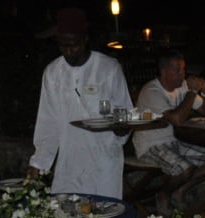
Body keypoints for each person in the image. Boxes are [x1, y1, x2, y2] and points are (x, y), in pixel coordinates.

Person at [26, 7, 133, 197]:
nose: (69, 51)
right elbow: (48, 123)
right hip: (70, 162)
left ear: (84, 40)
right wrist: (38, 163)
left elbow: (124, 112)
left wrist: (122, 128)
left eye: (74, 45)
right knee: (67, 217)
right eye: (63, 46)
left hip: (104, 160)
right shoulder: (52, 73)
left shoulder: (108, 68)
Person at [132, 50, 205, 214]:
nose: (182, 74)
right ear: (163, 72)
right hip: (151, 144)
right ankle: (163, 194)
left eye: (183, 69)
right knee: (184, 169)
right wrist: (192, 92)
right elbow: (177, 119)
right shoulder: (151, 91)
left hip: (175, 141)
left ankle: (180, 191)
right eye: (177, 70)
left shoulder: (182, 86)